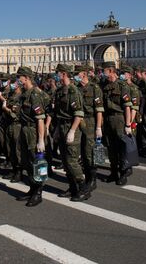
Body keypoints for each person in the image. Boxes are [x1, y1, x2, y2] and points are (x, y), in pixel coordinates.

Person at [53, 64, 88, 201]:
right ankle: (72, 187)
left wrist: (72, 131)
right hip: (61, 126)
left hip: (71, 126)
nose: (56, 75)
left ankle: (83, 188)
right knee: (65, 161)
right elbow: (58, 113)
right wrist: (56, 130)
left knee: (72, 161)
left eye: (58, 73)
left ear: (63, 74)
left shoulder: (74, 91)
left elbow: (78, 114)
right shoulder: (61, 91)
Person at [14, 66, 47, 207]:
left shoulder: (35, 94)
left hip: (33, 131)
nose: (18, 80)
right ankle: (32, 188)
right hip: (24, 129)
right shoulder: (24, 94)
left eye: (19, 77)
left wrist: (41, 140)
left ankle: (38, 192)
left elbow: (40, 119)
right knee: (26, 161)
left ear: (26, 78)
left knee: (36, 162)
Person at [101, 62, 133, 186]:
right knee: (110, 147)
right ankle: (113, 172)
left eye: (104, 71)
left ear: (111, 71)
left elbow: (127, 107)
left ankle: (123, 172)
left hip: (119, 119)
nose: (103, 73)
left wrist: (128, 124)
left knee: (121, 147)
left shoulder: (122, 86)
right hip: (108, 119)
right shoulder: (105, 86)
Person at [75, 65, 104, 192]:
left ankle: (92, 179)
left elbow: (99, 110)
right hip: (79, 122)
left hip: (90, 121)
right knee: (81, 151)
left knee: (89, 152)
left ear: (84, 74)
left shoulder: (94, 88)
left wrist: (98, 127)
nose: (75, 76)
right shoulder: (76, 89)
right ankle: (87, 177)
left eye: (77, 73)